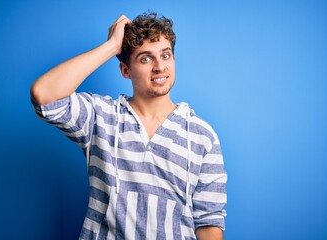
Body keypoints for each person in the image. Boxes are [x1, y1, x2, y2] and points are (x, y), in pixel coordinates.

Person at [31, 12, 227, 240]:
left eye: (165, 55)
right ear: (125, 70)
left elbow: (209, 223)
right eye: (145, 59)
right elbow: (43, 95)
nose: (159, 67)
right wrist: (112, 46)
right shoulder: (100, 116)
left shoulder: (202, 136)